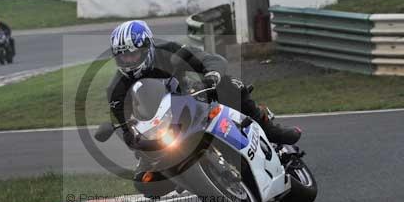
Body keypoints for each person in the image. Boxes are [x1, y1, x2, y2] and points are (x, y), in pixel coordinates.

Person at [106, 20, 302, 149]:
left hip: (191, 100)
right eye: (123, 55)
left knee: (228, 84)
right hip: (162, 125)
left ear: (147, 47)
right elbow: (122, 120)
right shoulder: (116, 89)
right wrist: (127, 133)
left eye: (132, 53)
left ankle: (267, 128)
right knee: (145, 177)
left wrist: (212, 76)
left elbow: (211, 59)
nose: (128, 60)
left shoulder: (168, 51)